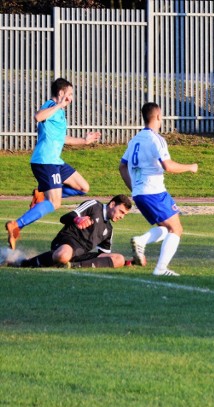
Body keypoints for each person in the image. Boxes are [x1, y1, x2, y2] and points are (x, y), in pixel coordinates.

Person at [5, 78, 102, 250]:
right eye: (70, 94)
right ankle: (17, 225)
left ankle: (42, 196)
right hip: (45, 161)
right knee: (55, 203)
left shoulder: (59, 113)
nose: (71, 98)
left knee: (83, 187)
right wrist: (59, 105)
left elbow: (61, 138)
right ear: (61, 93)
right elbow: (38, 116)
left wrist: (84, 141)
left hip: (55, 162)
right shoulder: (50, 105)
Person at [119, 102, 198, 276]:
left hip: (141, 193)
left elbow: (122, 166)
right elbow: (168, 166)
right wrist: (190, 167)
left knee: (167, 227)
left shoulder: (135, 139)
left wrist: (134, 188)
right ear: (157, 117)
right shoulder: (157, 139)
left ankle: (142, 240)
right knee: (176, 229)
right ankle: (160, 269)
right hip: (154, 192)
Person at [12, 195, 133, 269]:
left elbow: (104, 255)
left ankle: (73, 266)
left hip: (80, 255)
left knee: (119, 259)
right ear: (112, 204)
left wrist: (129, 262)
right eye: (121, 212)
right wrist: (78, 219)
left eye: (125, 214)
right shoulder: (95, 206)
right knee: (64, 255)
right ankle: (25, 263)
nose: (122, 216)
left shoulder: (109, 230)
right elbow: (64, 218)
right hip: (67, 241)